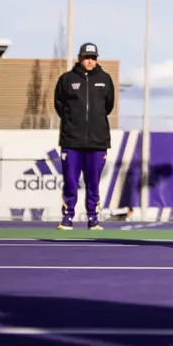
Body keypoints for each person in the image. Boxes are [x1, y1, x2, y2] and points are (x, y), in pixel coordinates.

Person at [54, 42, 115, 231]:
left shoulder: (105, 79)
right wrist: (73, 123)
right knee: (70, 182)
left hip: (97, 142)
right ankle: (67, 217)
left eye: (93, 58)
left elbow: (108, 106)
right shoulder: (66, 79)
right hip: (72, 142)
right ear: (80, 58)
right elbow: (59, 105)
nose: (90, 61)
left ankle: (93, 219)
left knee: (93, 184)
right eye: (87, 57)